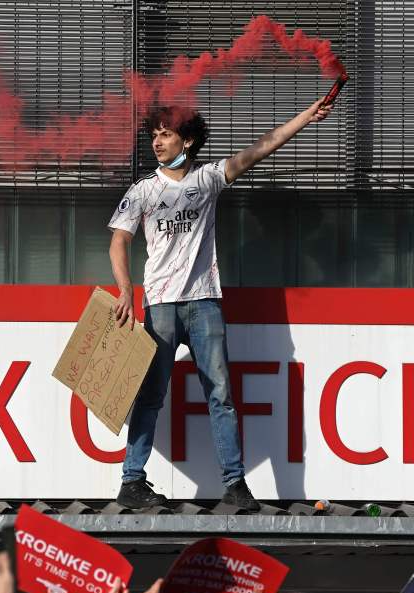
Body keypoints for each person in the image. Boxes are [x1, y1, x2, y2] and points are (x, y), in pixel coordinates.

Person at [108, 98, 333, 511]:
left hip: (204, 302)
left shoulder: (209, 178)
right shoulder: (142, 191)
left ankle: (234, 484)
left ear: (187, 140)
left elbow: (265, 146)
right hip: (159, 305)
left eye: (166, 134)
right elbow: (119, 240)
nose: (157, 142)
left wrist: (306, 115)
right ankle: (131, 481)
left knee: (221, 394)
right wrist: (124, 289)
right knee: (150, 394)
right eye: (154, 135)